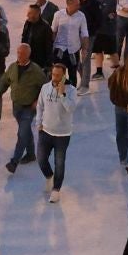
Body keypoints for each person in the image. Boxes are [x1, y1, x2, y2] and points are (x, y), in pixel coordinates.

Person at [0, 43, 45, 174]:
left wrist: (37, 101)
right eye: (18, 53)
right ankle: (30, 154)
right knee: (26, 130)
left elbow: (45, 88)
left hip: (29, 107)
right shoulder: (13, 67)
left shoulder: (35, 70)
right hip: (16, 106)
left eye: (22, 54)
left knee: (22, 134)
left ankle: (14, 162)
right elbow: (4, 81)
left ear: (28, 55)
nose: (19, 56)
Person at [35, 62, 77, 203]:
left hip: (62, 134)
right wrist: (38, 123)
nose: (54, 78)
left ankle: (56, 190)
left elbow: (70, 109)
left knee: (59, 162)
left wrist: (62, 94)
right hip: (46, 131)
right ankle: (49, 176)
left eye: (58, 75)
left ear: (64, 76)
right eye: (53, 74)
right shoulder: (45, 88)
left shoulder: (71, 90)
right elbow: (40, 106)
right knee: (41, 159)